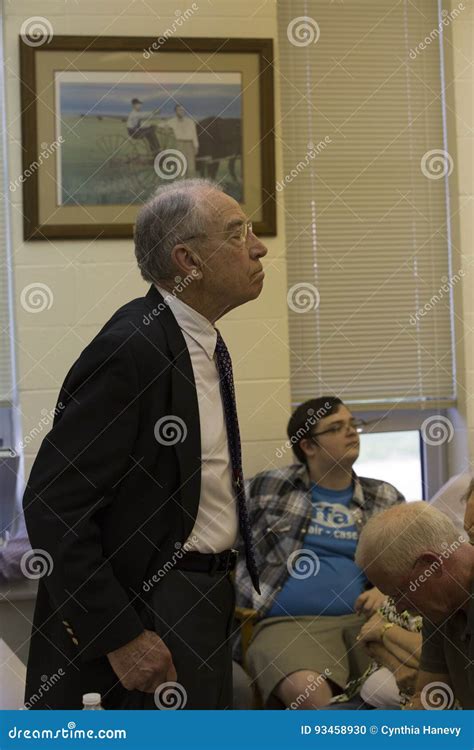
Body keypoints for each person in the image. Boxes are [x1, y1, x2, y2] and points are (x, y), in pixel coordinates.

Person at [22, 177, 267, 709]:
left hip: (208, 598)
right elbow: (53, 505)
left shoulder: (197, 336)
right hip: (152, 607)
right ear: (188, 260)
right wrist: (118, 635)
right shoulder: (133, 348)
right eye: (237, 233)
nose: (258, 245)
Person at [233, 396, 405, 708]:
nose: (351, 432)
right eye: (337, 428)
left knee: (414, 682)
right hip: (289, 626)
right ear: (308, 446)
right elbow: (217, 540)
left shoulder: (384, 495)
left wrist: (384, 589)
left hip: (368, 623)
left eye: (353, 425)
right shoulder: (267, 487)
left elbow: (409, 564)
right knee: (310, 693)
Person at [355, 501, 474, 709]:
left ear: (431, 565)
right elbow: (429, 699)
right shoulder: (443, 607)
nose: (399, 609)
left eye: (400, 594)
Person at [324, 597, 422, 709]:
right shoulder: (407, 591)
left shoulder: (440, 606)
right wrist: (398, 666)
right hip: (361, 697)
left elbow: (430, 655)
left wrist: (385, 631)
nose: (400, 607)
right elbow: (368, 634)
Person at [167, 104, 199, 176]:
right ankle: (181, 185)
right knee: (180, 167)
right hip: (179, 144)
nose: (181, 112)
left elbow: (194, 135)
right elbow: (162, 125)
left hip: (189, 145)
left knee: (191, 167)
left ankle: (190, 185)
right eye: (179, 110)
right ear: (175, 111)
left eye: (182, 110)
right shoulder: (171, 122)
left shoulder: (190, 122)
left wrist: (196, 146)